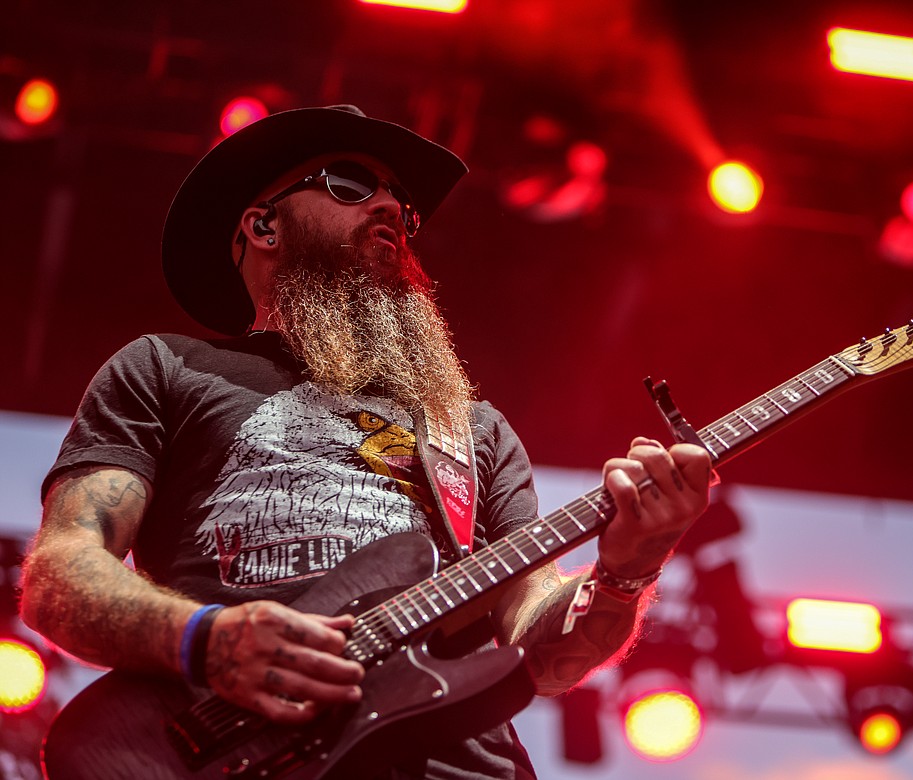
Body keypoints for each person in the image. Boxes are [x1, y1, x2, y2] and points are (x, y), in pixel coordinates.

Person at [19, 105, 710, 778]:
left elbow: (538, 639)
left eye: (403, 206)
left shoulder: (471, 428)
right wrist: (205, 640)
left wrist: (627, 572)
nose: (389, 208)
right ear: (263, 224)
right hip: (233, 750)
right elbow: (61, 573)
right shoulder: (166, 368)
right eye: (352, 184)